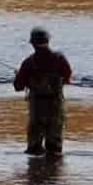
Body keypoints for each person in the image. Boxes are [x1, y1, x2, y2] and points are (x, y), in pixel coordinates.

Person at [13, 26, 72, 157]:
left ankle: (36, 168)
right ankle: (54, 169)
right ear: (48, 40)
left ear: (32, 43)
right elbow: (68, 79)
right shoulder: (60, 58)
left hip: (37, 108)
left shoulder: (28, 62)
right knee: (55, 150)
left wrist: (18, 75)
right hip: (56, 106)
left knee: (33, 150)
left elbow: (18, 87)